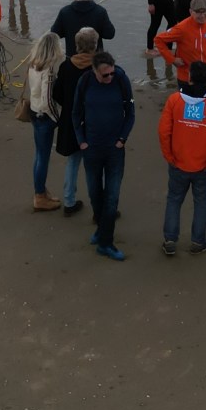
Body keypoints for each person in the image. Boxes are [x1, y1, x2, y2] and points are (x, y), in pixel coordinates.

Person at [159, 57, 206, 256]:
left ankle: (170, 240)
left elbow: (164, 131)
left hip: (178, 163)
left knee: (174, 200)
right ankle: (198, 241)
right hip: (204, 166)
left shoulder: (174, 100)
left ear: (189, 78)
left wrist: (169, 156)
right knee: (201, 202)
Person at [74, 50, 136, 260]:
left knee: (112, 196)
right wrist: (81, 140)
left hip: (114, 150)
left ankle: (105, 243)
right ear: (94, 71)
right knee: (95, 194)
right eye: (105, 75)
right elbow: (76, 113)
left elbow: (130, 113)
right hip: (91, 148)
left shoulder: (120, 79)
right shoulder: (85, 82)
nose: (109, 77)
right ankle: (101, 230)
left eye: (111, 73)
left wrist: (122, 139)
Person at [51, 28, 100, 215]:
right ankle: (99, 205)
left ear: (77, 45)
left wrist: (69, 106)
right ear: (94, 45)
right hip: (93, 122)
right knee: (94, 166)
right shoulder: (98, 68)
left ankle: (69, 201)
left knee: (73, 161)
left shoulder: (66, 66)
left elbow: (57, 93)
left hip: (71, 121)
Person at [25, 31, 65, 212]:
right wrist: (57, 119)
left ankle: (40, 190)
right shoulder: (48, 70)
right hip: (44, 115)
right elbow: (47, 99)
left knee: (39, 155)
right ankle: (39, 195)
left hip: (34, 111)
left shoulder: (33, 63)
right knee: (43, 157)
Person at [154, 0, 206, 87]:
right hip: (186, 78)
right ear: (191, 11)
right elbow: (158, 40)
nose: (202, 16)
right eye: (198, 12)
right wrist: (172, 59)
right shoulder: (181, 28)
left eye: (204, 12)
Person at [51, 0, 117, 51]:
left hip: (72, 56)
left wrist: (69, 30)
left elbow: (54, 34)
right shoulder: (100, 11)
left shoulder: (65, 12)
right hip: (95, 56)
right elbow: (110, 34)